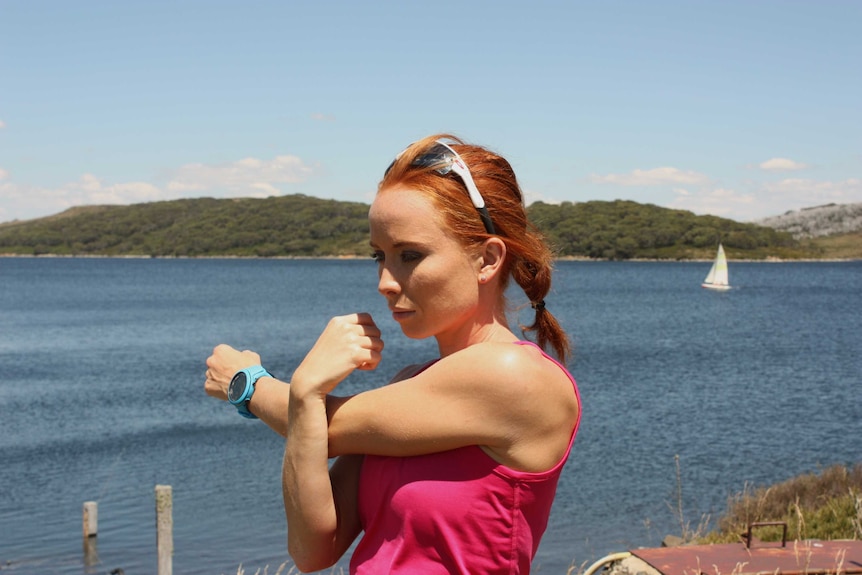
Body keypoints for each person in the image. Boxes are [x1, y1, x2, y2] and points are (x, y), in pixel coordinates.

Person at [204, 134, 581, 574]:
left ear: (486, 260)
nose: (385, 281)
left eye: (409, 255)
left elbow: (325, 427)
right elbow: (312, 553)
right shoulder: (409, 384)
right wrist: (305, 392)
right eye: (379, 256)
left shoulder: (514, 374)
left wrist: (246, 383)